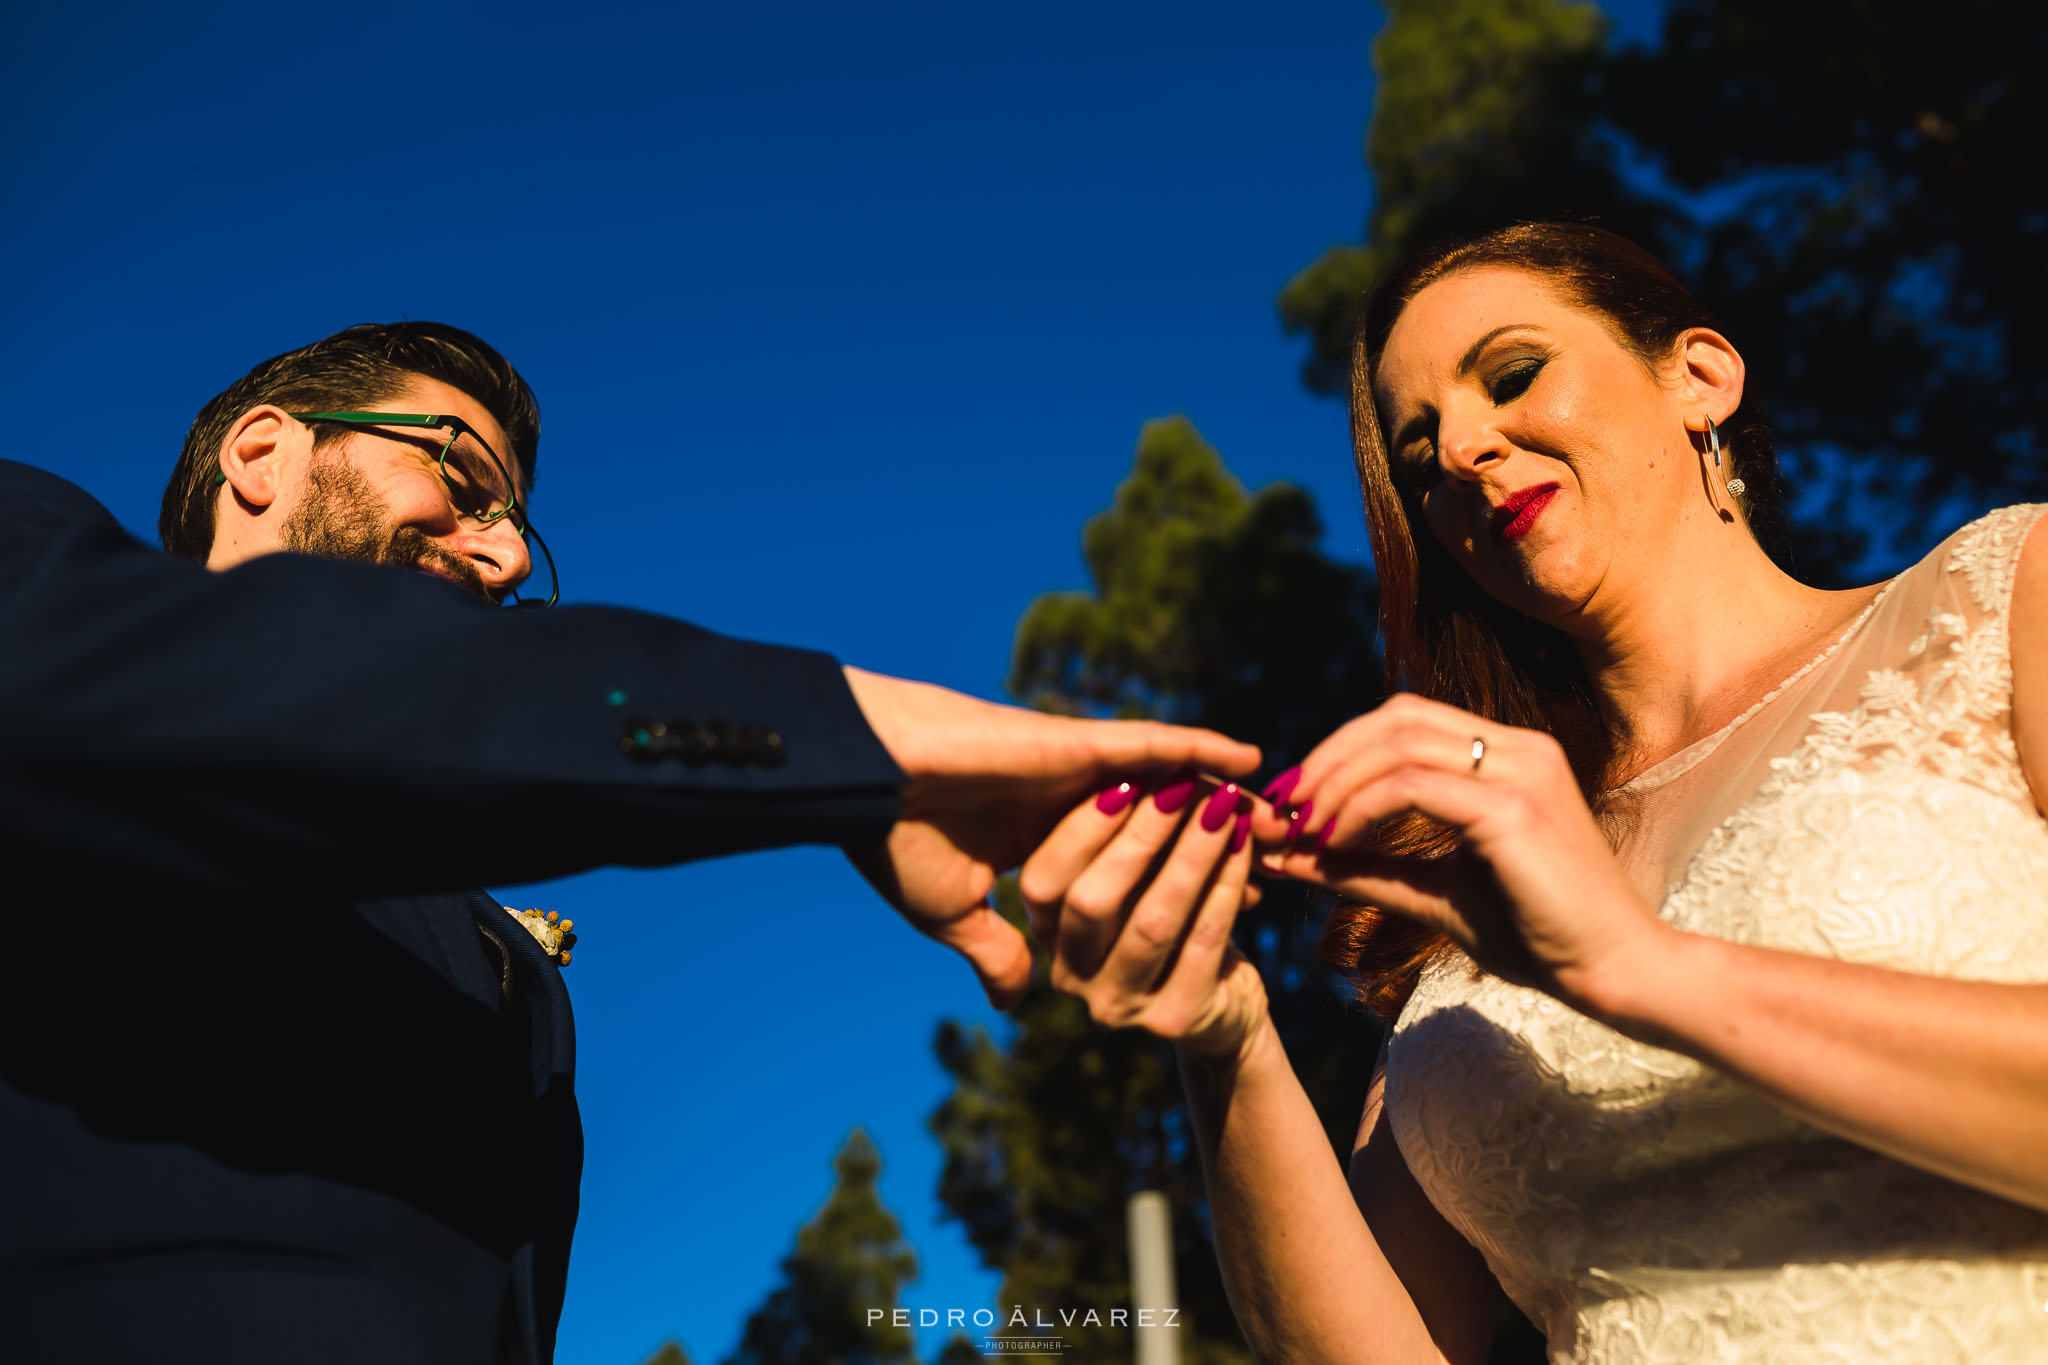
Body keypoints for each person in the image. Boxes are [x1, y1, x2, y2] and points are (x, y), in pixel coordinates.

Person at [0, 322, 1260, 1365]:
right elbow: (265, 695)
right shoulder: (35, 598)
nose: (501, 557)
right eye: (463, 479)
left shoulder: (508, 963)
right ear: (265, 455)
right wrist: (850, 744)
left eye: (515, 528)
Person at [1024, 223, 2048, 1363]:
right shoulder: (1467, 874)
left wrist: (1633, 967)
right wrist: (1224, 1040)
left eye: (1510, 375)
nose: (1460, 448)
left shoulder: (2001, 596)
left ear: (1698, 377)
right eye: (1418, 459)